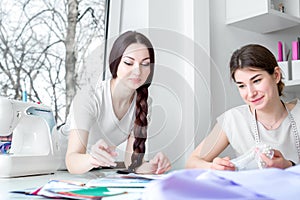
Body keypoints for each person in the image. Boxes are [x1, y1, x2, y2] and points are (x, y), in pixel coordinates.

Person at [65, 31, 171, 174]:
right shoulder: (89, 97)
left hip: (91, 170)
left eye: (145, 64)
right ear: (115, 63)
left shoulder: (143, 103)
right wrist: (91, 158)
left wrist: (155, 166)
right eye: (128, 62)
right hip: (57, 165)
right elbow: (72, 161)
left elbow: (131, 163)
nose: (137, 71)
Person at [186, 44, 300, 170]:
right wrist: (213, 167)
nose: (251, 93)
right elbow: (191, 163)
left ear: (276, 75)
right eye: (242, 86)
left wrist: (289, 165)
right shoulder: (233, 119)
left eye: (256, 81)